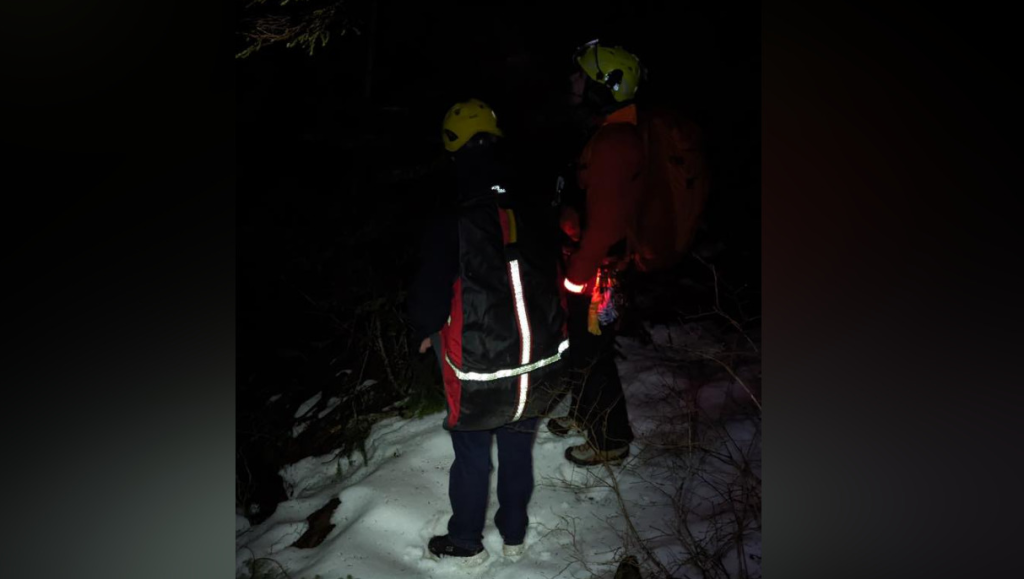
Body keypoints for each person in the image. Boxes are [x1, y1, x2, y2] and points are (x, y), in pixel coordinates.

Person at [406, 98, 569, 565]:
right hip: (535, 358)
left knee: (473, 450)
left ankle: (465, 542)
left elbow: (432, 287)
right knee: (519, 446)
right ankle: (514, 534)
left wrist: (423, 327)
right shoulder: (530, 199)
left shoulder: (453, 212)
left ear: (453, 145)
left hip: (478, 365)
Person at [547, 39, 643, 466]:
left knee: (594, 352)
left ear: (603, 86)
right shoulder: (609, 134)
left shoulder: (614, 144)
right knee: (584, 348)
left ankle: (611, 439)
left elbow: (605, 226)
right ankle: (586, 414)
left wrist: (575, 276)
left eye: (582, 77)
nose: (574, 82)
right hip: (591, 265)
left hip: (598, 272)